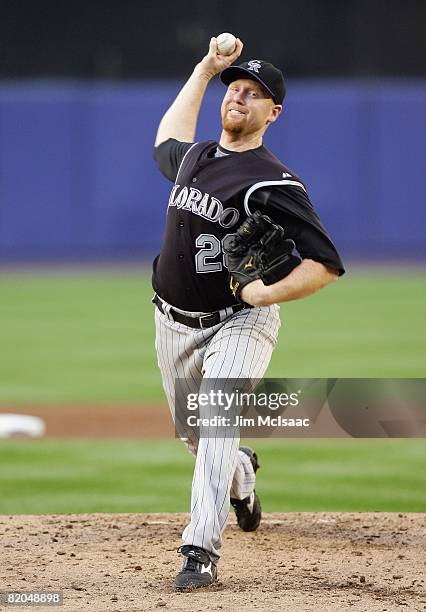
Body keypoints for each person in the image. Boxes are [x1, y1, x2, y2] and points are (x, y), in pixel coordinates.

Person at [152, 37, 345, 591]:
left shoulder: (273, 182)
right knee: (197, 436)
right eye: (235, 88)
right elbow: (166, 139)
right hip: (171, 321)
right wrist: (204, 70)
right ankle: (242, 475)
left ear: (272, 113)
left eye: (254, 94)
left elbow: (326, 263)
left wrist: (263, 295)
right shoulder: (197, 157)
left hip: (240, 321)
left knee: (215, 418)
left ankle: (199, 551)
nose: (240, 96)